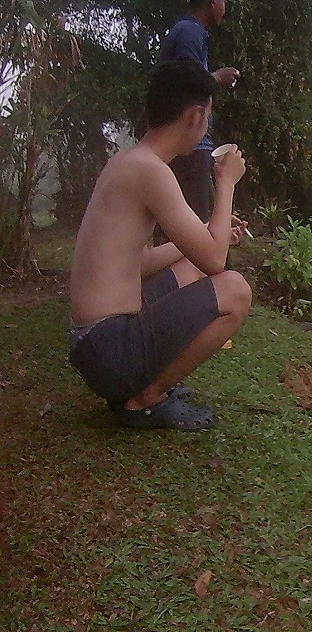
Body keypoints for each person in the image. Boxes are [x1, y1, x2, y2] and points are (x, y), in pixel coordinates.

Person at [68, 59, 252, 431]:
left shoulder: (131, 160)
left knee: (192, 266)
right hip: (109, 349)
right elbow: (217, 260)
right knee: (236, 290)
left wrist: (204, 231)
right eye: (208, 118)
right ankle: (145, 400)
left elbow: (142, 262)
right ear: (194, 117)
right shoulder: (152, 172)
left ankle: (139, 388)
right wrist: (227, 183)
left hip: (94, 345)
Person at [156, 0, 241, 237]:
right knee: (192, 232)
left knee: (181, 225)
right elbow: (185, 83)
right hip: (189, 146)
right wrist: (217, 77)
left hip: (190, 145)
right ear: (213, 0)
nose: (224, 9)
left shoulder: (190, 32)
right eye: (224, 2)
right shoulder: (189, 32)